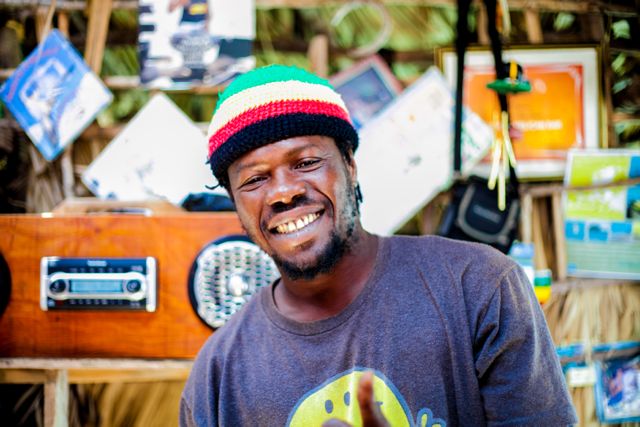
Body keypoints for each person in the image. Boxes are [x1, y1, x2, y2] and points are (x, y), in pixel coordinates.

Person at [180, 64, 577, 426]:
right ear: (235, 202)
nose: (284, 192)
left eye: (305, 163)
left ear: (350, 165)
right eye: (254, 180)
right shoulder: (218, 375)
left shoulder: (478, 289)